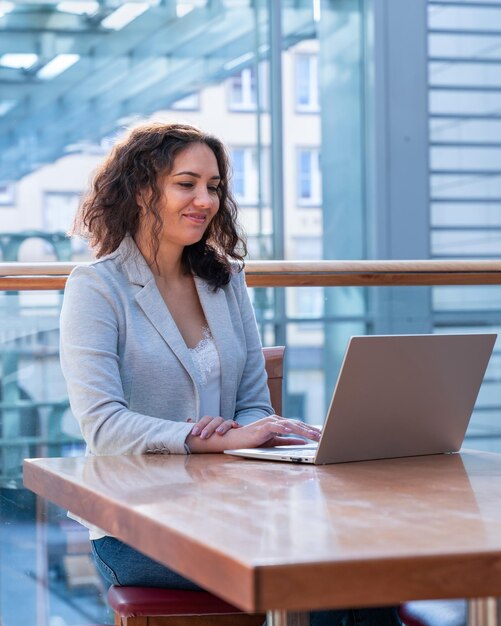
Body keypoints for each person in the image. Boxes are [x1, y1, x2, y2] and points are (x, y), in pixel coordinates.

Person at [60, 121, 402, 626]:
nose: (205, 199)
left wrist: (258, 431)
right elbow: (104, 427)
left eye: (214, 187)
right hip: (139, 523)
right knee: (330, 579)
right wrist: (206, 440)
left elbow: (253, 404)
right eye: (186, 183)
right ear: (139, 190)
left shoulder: (225, 281)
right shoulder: (96, 287)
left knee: (364, 570)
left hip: (234, 509)